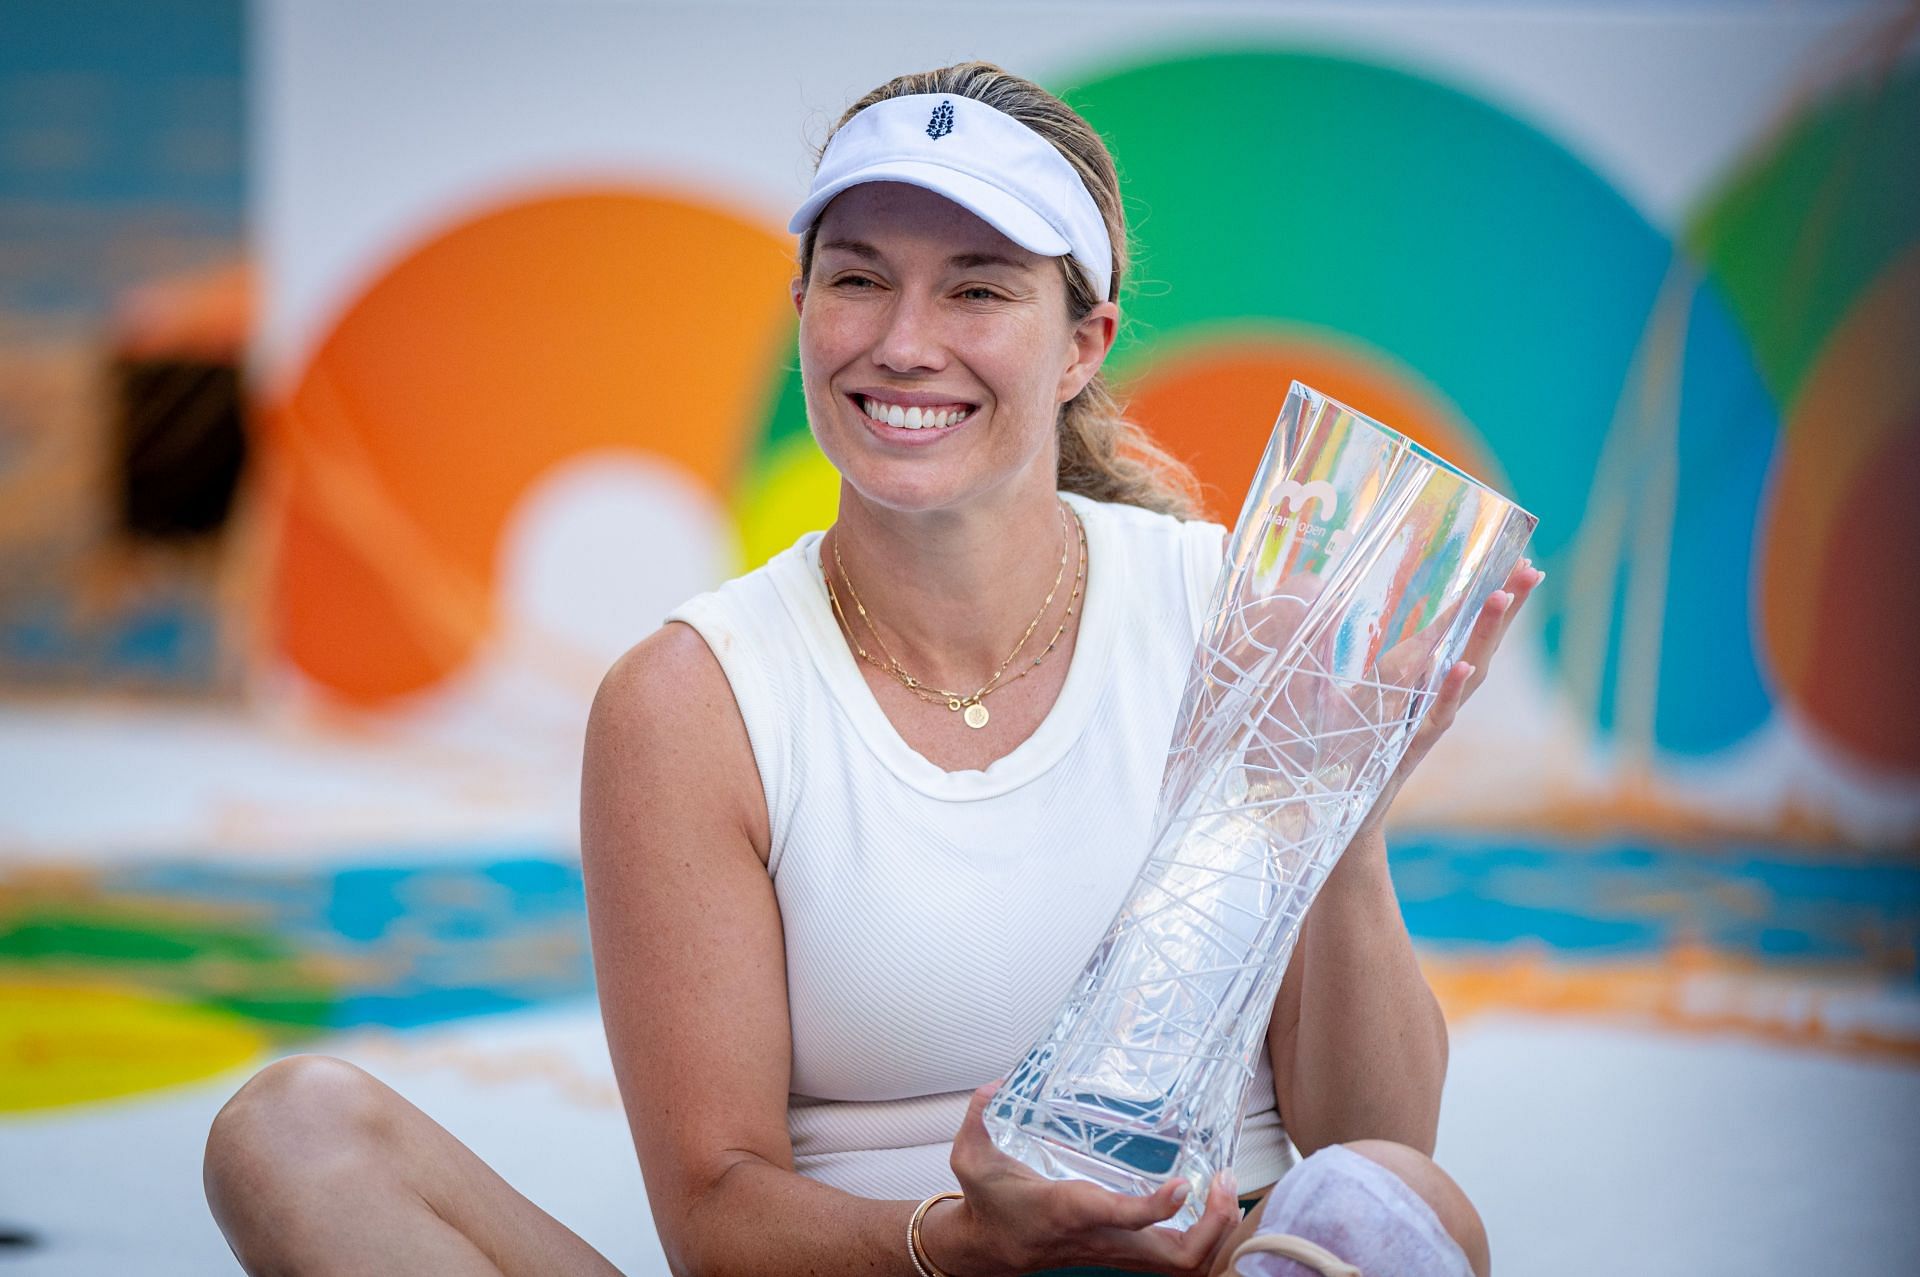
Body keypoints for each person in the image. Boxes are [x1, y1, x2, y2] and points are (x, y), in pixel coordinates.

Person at [201, 61, 1540, 1277]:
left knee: (1402, 1195)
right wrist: (959, 1241)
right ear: (803, 311)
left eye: (976, 284)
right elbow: (717, 1215)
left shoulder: (1224, 611)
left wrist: (1335, 811)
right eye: (858, 277)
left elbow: (1372, 1155)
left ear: (1083, 342)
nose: (905, 340)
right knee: (293, 1132)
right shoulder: (693, 698)